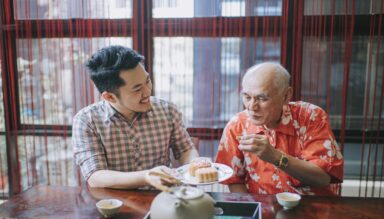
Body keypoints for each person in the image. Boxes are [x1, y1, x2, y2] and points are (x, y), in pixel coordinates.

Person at [72, 45, 199, 189]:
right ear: (109, 97)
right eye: (137, 89)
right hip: (114, 204)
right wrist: (146, 177)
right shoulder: (87, 121)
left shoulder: (167, 110)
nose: (147, 92)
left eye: (147, 81)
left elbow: (185, 149)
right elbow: (96, 176)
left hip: (162, 199)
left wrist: (196, 164)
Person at [215, 62, 343, 195]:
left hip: (314, 208)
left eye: (262, 98)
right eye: (247, 97)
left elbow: (323, 178)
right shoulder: (237, 125)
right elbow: (234, 180)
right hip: (262, 207)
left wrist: (275, 157)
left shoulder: (311, 117)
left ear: (286, 95)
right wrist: (251, 209)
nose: (251, 107)